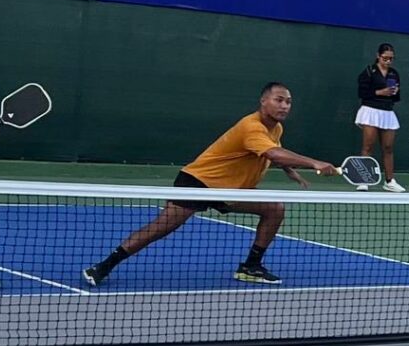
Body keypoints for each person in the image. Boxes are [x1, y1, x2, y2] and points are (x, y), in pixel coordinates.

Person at [83, 83, 339, 287]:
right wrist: (314, 162)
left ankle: (250, 266)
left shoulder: (276, 128)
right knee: (160, 228)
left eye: (288, 101)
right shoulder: (251, 126)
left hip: (230, 190)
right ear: (263, 101)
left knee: (274, 209)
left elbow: (274, 150)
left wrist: (289, 170)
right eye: (279, 100)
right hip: (197, 182)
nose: (284, 105)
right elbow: (273, 153)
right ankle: (104, 266)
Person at [356, 43, 405, 193]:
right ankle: (363, 180)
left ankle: (389, 181)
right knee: (368, 147)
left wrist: (395, 92)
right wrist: (379, 92)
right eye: (385, 58)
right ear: (378, 56)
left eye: (391, 59)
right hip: (370, 111)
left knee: (388, 148)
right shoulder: (368, 72)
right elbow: (362, 93)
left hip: (387, 112)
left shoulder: (394, 74)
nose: (388, 61)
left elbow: (396, 98)